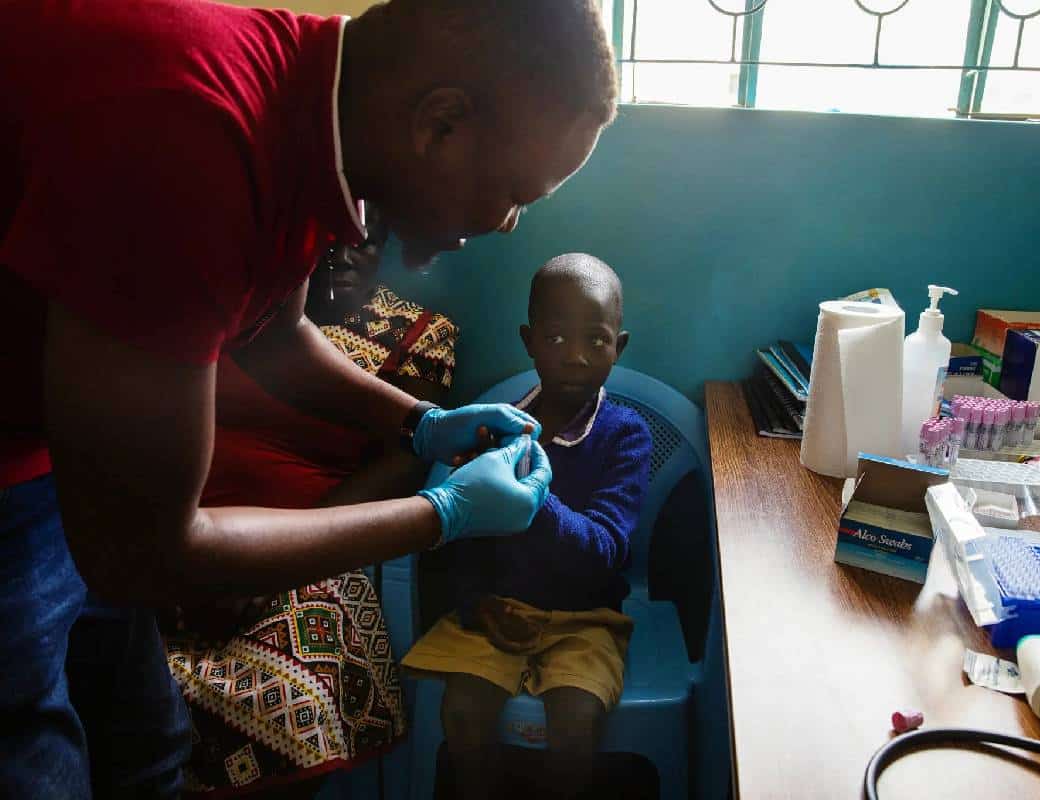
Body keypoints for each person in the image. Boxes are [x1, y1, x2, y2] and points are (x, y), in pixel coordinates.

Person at [0, 1, 617, 797]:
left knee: (147, 746)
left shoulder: (310, 115)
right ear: (441, 125)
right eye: (514, 193)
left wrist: (420, 422)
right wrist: (443, 515)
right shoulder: (192, 135)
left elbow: (274, 334)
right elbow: (142, 554)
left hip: (49, 445)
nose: (507, 224)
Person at [166, 214, 455, 798]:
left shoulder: (419, 332)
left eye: (364, 242)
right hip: (177, 525)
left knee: (287, 704)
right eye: (327, 240)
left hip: (315, 544)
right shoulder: (238, 311)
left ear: (386, 246)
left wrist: (275, 559)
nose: (341, 254)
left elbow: (404, 461)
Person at [402, 254, 653, 800]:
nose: (577, 357)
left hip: (588, 618)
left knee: (575, 724)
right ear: (529, 341)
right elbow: (460, 538)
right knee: (463, 714)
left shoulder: (627, 436)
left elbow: (606, 550)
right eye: (557, 339)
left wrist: (529, 504)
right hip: (500, 609)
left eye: (597, 340)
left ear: (620, 346)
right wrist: (475, 603)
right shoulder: (497, 427)